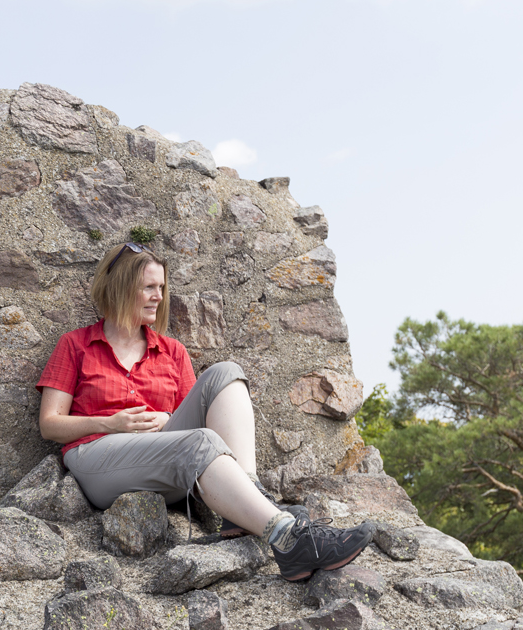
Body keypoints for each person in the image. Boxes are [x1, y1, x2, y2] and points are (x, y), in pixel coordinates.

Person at [35, 241, 374, 582]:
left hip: (164, 459)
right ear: (122, 288)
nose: (159, 296)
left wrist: (168, 419)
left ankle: (245, 498)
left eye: (162, 288)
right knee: (199, 442)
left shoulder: (172, 351)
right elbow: (49, 425)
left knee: (226, 372)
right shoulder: (76, 345)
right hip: (97, 461)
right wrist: (110, 423)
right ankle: (288, 539)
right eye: (149, 288)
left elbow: (196, 418)